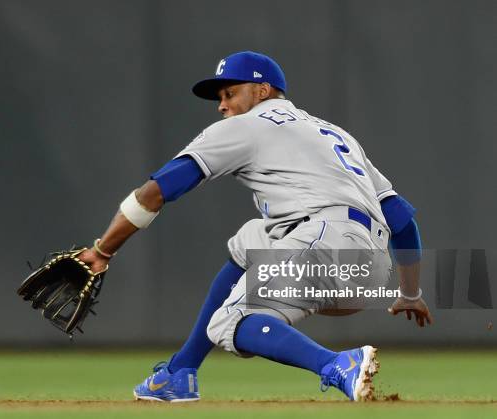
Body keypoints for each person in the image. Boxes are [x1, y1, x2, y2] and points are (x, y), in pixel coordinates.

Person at [78, 51, 432, 402]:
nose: (222, 105)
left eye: (230, 93)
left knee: (227, 324)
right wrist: (411, 293)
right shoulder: (334, 134)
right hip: (370, 269)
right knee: (249, 240)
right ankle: (179, 372)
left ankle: (339, 365)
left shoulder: (248, 125)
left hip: (325, 242)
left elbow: (156, 192)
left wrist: (102, 249)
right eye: (220, 98)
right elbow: (402, 222)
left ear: (262, 91)